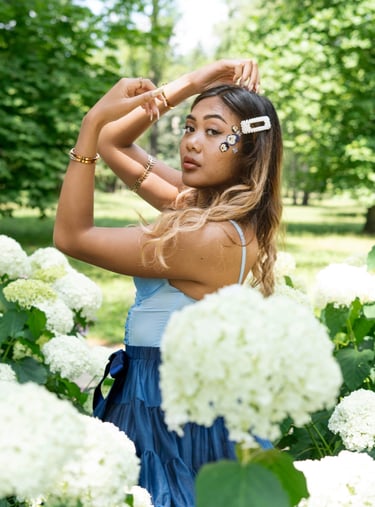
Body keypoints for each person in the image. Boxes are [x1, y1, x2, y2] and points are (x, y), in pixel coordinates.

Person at [54, 58, 283, 507]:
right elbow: (115, 140)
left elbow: (71, 236)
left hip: (164, 416)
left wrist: (88, 126)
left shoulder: (206, 235)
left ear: (248, 149)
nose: (192, 143)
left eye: (215, 132)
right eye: (189, 127)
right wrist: (195, 81)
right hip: (160, 396)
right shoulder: (210, 211)